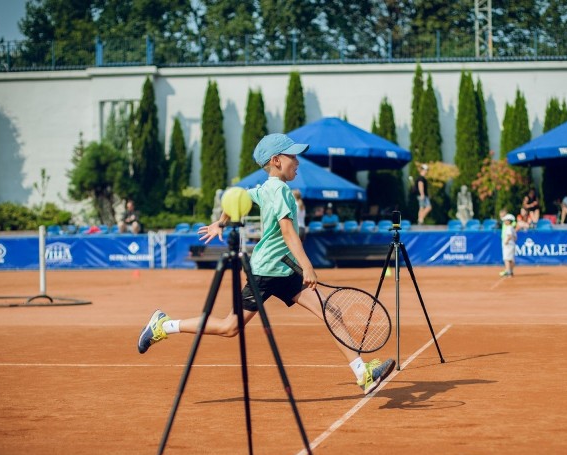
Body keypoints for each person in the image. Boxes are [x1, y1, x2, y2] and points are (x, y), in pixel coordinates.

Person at [136, 133, 395, 395]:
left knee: (331, 311)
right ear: (276, 161)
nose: (297, 161)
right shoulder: (280, 190)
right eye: (292, 156)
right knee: (230, 327)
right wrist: (307, 265)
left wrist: (221, 222)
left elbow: (236, 196)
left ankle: (363, 374)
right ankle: (164, 325)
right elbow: (287, 232)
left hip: (284, 268)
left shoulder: (266, 188)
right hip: (267, 272)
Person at [500, 213, 517, 278]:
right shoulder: (512, 228)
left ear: (509, 221)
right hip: (512, 244)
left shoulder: (509, 228)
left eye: (506, 220)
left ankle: (508, 272)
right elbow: (515, 237)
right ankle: (511, 271)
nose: (504, 221)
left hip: (508, 245)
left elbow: (509, 236)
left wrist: (506, 241)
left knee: (506, 259)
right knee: (511, 259)